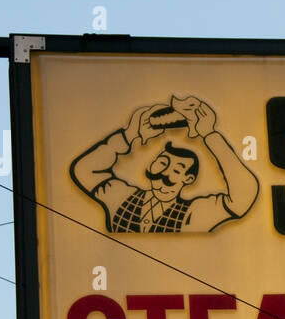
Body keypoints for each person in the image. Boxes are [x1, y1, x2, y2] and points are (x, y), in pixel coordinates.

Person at [69, 95, 258, 233]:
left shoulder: (191, 214)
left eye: (176, 170)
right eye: (161, 163)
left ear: (188, 178)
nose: (165, 174)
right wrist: (128, 135)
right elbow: (85, 170)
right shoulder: (121, 198)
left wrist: (210, 135)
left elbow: (243, 197)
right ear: (151, 165)